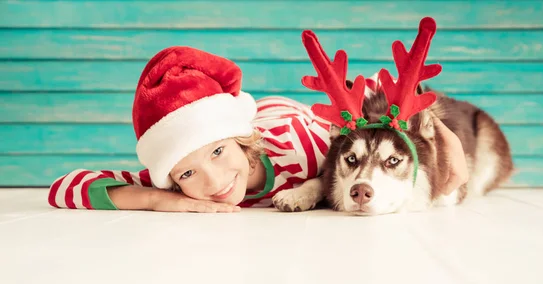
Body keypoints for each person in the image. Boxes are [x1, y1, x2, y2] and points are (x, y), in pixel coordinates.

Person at [47, 46, 468, 213]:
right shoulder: (175, 187)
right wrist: (162, 201)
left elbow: (381, 123)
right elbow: (64, 187)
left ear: (242, 140)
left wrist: (446, 143)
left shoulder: (306, 147)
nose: (213, 182)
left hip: (285, 116)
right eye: (187, 172)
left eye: (217, 153)